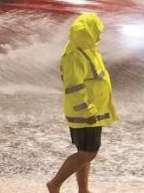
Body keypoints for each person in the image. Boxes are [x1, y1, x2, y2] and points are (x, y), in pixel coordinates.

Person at [47, 12, 118, 193]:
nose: (100, 35)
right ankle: (55, 183)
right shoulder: (74, 55)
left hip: (92, 111)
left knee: (84, 152)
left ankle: (83, 190)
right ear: (89, 32)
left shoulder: (88, 47)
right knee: (88, 152)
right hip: (86, 113)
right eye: (97, 31)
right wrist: (88, 111)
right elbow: (74, 88)